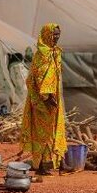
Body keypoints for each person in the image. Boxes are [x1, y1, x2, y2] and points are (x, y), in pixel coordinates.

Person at [20, 23, 68, 175]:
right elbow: (39, 77)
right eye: (54, 35)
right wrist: (46, 96)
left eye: (58, 35)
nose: (56, 38)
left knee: (55, 130)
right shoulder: (42, 54)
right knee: (41, 133)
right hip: (41, 101)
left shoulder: (55, 53)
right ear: (47, 35)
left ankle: (60, 164)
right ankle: (39, 166)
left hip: (53, 97)